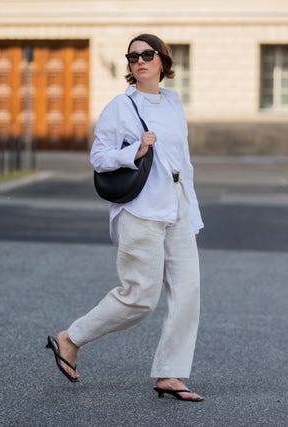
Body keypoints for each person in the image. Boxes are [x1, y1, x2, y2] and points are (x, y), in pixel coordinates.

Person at [46, 33, 204, 402]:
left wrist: (193, 216)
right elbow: (99, 158)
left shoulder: (174, 103)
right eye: (133, 57)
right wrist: (137, 149)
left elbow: (186, 165)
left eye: (147, 54)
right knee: (140, 297)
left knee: (187, 293)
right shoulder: (121, 106)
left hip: (177, 208)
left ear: (163, 61)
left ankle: (170, 374)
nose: (139, 61)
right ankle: (71, 338)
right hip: (141, 211)